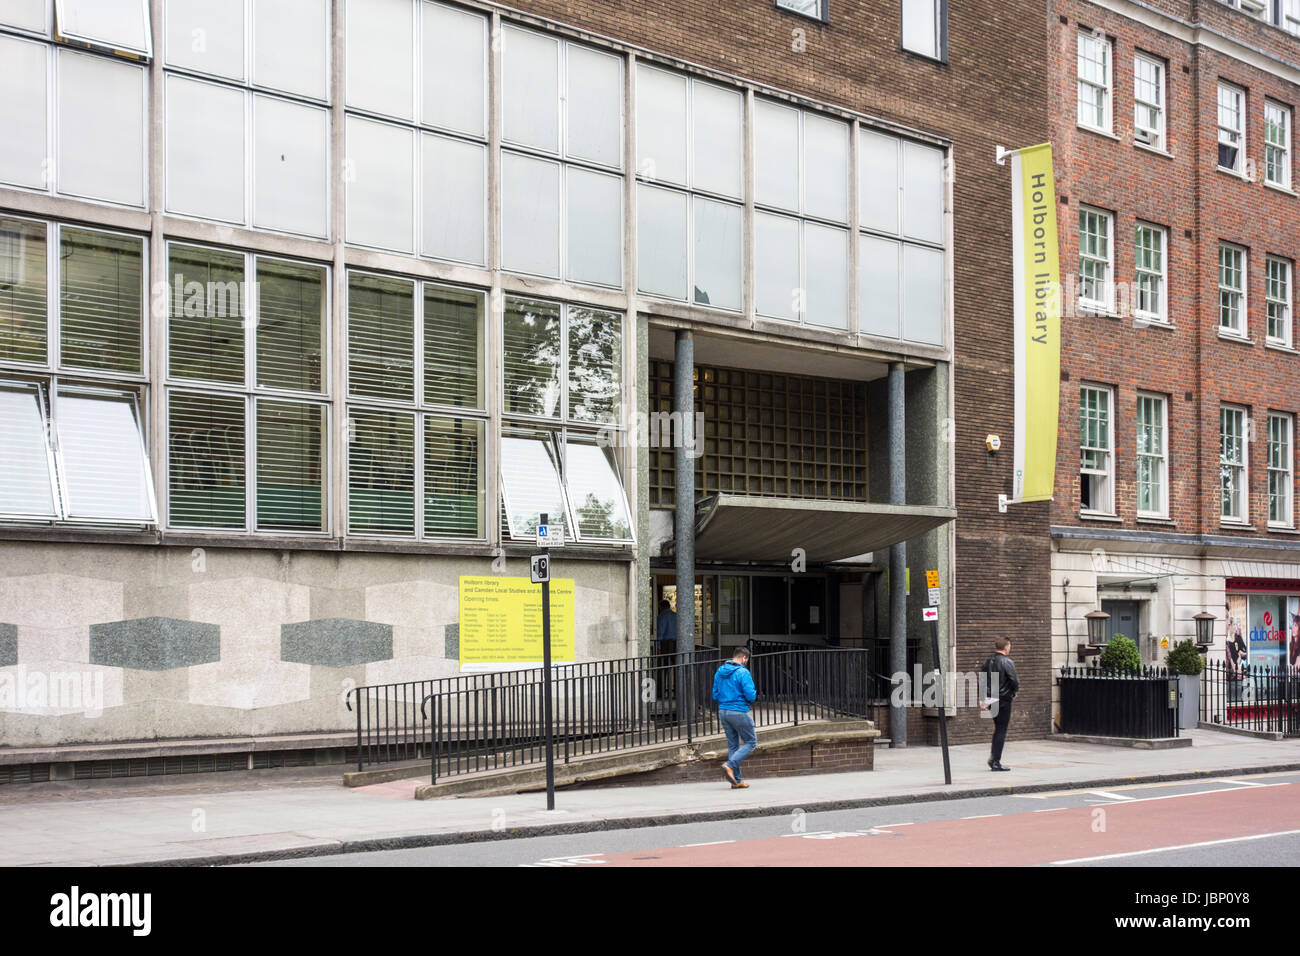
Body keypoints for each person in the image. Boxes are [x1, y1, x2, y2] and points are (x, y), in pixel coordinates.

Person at [712, 647, 757, 788]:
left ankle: (736, 781)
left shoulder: (720, 671)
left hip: (723, 711)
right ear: (744, 658)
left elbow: (715, 694)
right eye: (746, 660)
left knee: (733, 745)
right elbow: (750, 695)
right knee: (751, 742)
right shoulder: (743, 672)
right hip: (738, 711)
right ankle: (729, 765)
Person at [980, 637, 1019, 772]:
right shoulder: (1007, 662)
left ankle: (994, 758)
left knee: (998, 728)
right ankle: (995, 761)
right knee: (1001, 729)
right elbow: (1014, 680)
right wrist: (1014, 691)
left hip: (991, 699)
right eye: (1010, 646)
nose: (1010, 648)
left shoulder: (987, 662)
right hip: (1002, 699)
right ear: (1006, 647)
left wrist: (982, 699)